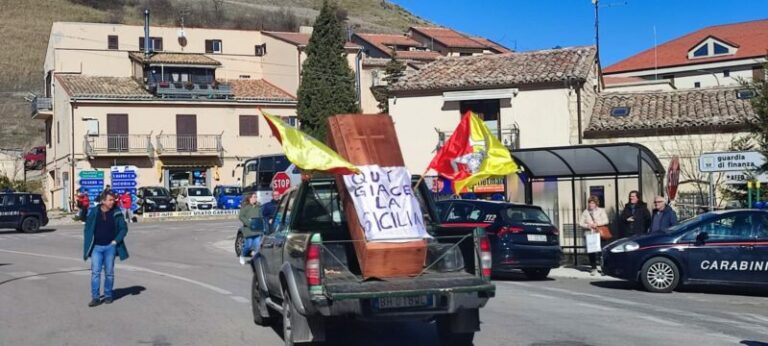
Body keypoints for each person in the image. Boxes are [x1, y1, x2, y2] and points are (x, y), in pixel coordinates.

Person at [83, 192, 129, 307]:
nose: (112, 202)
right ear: (103, 201)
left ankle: (108, 295)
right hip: (96, 248)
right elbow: (87, 227)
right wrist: (88, 240)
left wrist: (116, 241)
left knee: (109, 273)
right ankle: (95, 298)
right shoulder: (94, 212)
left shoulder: (117, 212)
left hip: (110, 247)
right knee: (95, 273)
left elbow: (124, 229)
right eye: (110, 200)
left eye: (113, 200)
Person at [579, 195, 609, 275]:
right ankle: (593, 268)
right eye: (590, 203)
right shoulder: (585, 212)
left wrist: (597, 224)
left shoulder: (601, 210)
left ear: (596, 203)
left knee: (601, 252)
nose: (591, 205)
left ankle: (603, 269)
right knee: (591, 252)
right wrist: (587, 225)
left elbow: (606, 221)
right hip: (590, 233)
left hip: (599, 233)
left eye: (593, 203)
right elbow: (580, 223)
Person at [238, 192, 263, 266]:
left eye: (256, 197)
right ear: (250, 198)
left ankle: (254, 260)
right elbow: (241, 216)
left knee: (257, 246)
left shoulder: (258, 206)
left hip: (257, 230)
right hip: (248, 230)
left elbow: (261, 216)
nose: (255, 198)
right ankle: (242, 256)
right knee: (248, 245)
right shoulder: (245, 207)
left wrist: (261, 222)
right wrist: (249, 223)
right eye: (254, 197)